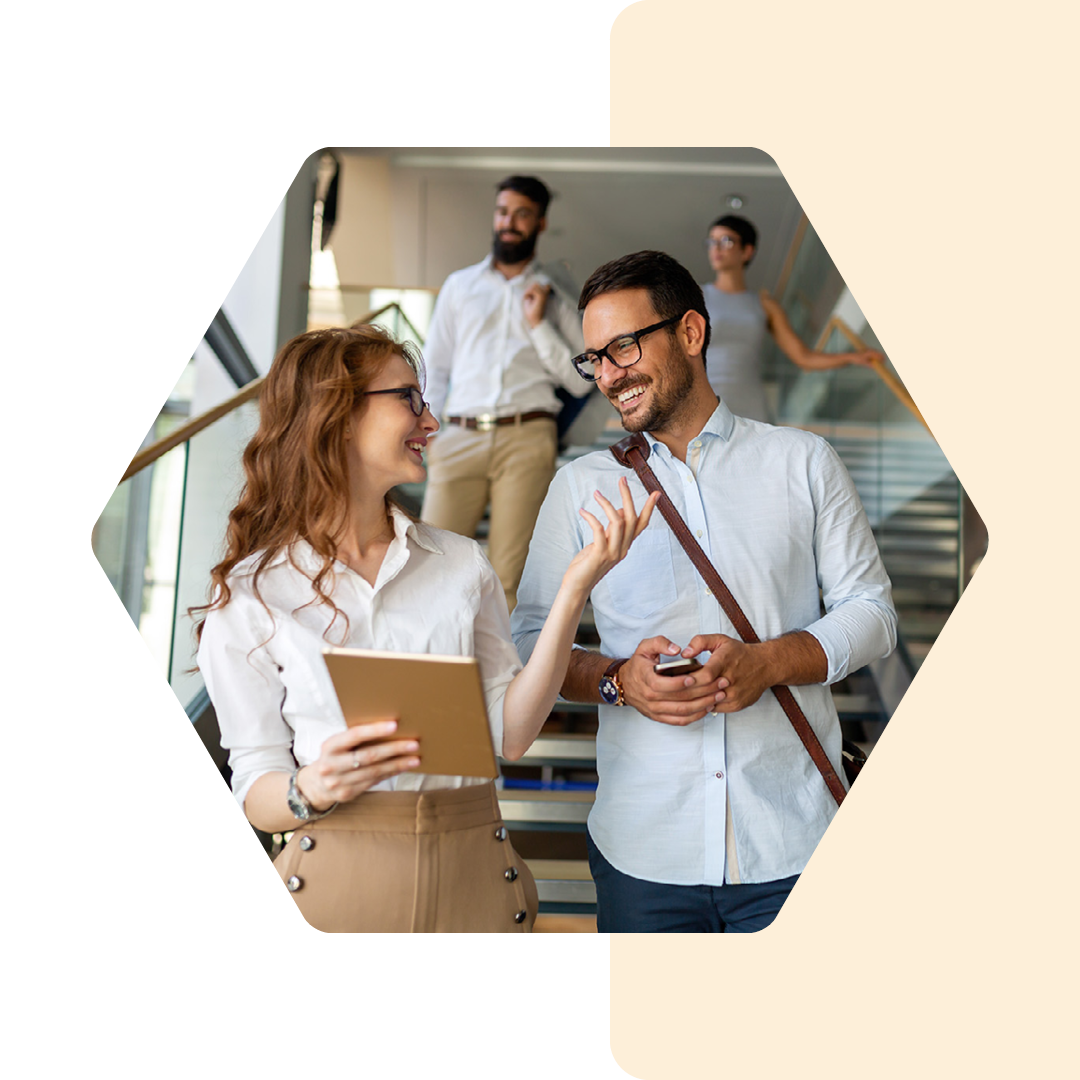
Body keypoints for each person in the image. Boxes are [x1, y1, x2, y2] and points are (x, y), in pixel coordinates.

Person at [194, 324, 657, 933]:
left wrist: (576, 587)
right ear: (335, 414)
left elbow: (512, 736)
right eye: (409, 398)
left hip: (477, 883)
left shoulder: (461, 564)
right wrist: (311, 785)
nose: (432, 421)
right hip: (331, 894)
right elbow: (255, 785)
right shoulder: (253, 593)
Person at [511, 251, 897, 933]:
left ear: (691, 331)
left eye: (623, 347)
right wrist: (617, 680)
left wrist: (768, 662)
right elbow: (528, 640)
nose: (607, 375)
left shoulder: (802, 460)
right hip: (643, 852)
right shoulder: (579, 487)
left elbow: (872, 613)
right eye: (593, 358)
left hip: (795, 844)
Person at [420, 175, 593, 613]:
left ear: (540, 223)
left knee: (509, 577)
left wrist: (539, 326)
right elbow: (434, 367)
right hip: (457, 436)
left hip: (526, 437)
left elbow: (583, 377)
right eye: (502, 212)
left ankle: (502, 681)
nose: (509, 222)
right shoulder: (460, 286)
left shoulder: (553, 298)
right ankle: (435, 673)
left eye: (521, 214)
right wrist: (432, 434)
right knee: (427, 565)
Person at [702, 214, 883, 422]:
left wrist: (851, 357)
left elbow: (803, 357)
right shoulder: (695, 298)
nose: (716, 248)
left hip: (751, 408)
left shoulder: (765, 305)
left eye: (726, 241)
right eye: (711, 241)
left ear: (747, 251)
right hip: (706, 406)